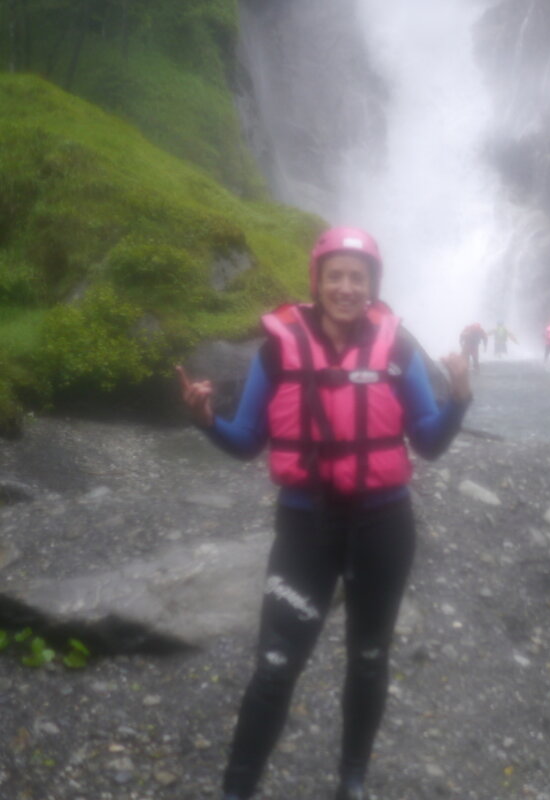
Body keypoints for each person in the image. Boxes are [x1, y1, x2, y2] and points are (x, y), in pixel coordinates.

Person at [177, 227, 471, 800]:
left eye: (357, 277)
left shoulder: (397, 350)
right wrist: (206, 420)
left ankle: (351, 780)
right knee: (274, 666)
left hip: (384, 528)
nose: (345, 287)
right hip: (305, 530)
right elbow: (246, 442)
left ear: (372, 286)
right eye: (335, 275)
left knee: (368, 658)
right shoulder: (277, 352)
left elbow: (430, 442)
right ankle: (237, 790)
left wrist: (458, 399)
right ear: (317, 281)